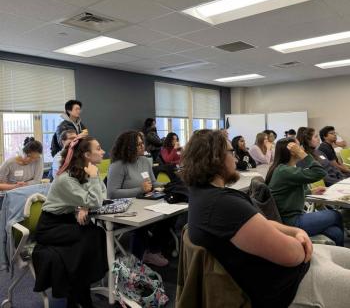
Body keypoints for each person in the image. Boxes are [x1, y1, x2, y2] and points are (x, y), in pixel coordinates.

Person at [182, 129, 350, 308]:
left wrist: (296, 231)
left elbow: (261, 223)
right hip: (288, 286)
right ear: (216, 157)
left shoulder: (203, 196)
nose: (236, 158)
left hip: (294, 267)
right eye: (231, 152)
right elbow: (294, 255)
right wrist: (299, 237)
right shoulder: (224, 205)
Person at [33, 136, 107, 308]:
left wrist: (85, 207)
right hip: (50, 227)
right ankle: (79, 293)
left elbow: (101, 196)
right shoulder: (66, 178)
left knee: (94, 234)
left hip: (67, 221)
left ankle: (78, 293)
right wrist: (91, 191)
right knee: (88, 237)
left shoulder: (83, 171)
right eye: (99, 148)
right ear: (87, 154)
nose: (103, 151)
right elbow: (95, 200)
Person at [266, 138, 344, 246]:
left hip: (292, 217)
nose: (302, 149)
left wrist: (310, 191)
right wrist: (302, 154)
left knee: (336, 233)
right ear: (293, 151)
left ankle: (338, 257)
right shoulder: (286, 171)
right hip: (292, 222)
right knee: (336, 215)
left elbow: (287, 193)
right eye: (299, 147)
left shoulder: (283, 169)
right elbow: (320, 172)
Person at [107, 130, 169, 266]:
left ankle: (152, 251)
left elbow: (153, 183)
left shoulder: (145, 161)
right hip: (126, 208)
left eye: (142, 143)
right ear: (128, 147)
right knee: (144, 222)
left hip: (144, 203)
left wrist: (167, 186)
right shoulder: (118, 165)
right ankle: (137, 263)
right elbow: (111, 193)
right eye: (138, 144)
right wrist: (139, 190)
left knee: (168, 217)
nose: (142, 146)